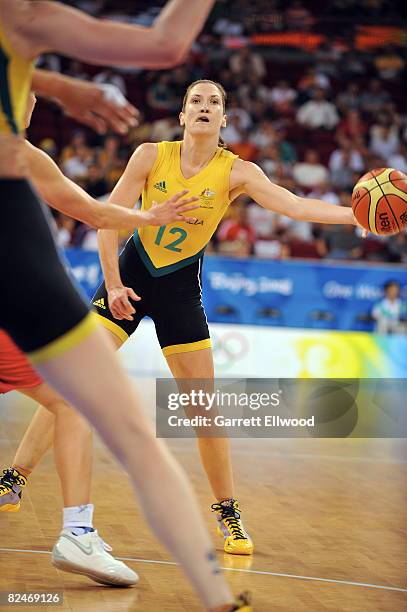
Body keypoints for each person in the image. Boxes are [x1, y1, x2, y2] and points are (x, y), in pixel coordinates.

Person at [18, 79, 360, 562]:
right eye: (195, 101)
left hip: (179, 289)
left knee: (204, 408)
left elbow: (296, 205)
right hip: (130, 278)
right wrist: (113, 285)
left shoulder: (238, 172)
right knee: (73, 382)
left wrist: (357, 216)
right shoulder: (149, 156)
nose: (204, 107)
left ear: (224, 120)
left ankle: (227, 510)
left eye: (214, 102)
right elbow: (109, 218)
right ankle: (15, 478)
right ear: (181, 116)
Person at [0, 1, 252, 610]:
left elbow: (94, 212)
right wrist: (73, 89)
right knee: (114, 420)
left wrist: (66, 89)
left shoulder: (31, 147)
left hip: (129, 283)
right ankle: (90, 535)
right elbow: (166, 43)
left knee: (84, 404)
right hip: (51, 273)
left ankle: (80, 525)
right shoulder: (25, 37)